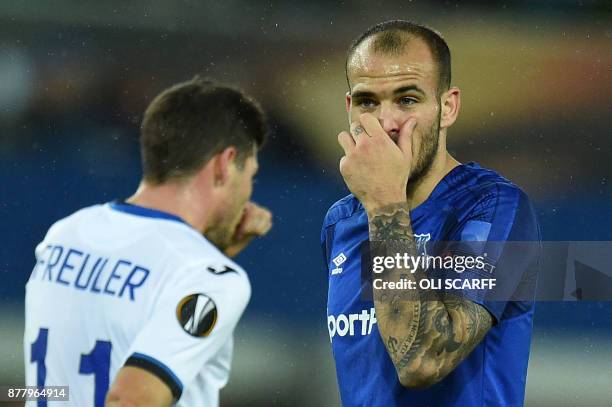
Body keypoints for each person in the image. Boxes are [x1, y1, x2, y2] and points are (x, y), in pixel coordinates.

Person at [321, 20, 540, 406]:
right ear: (349, 108)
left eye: (407, 100)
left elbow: (423, 361)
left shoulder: (493, 207)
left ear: (447, 106)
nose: (386, 123)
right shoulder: (341, 221)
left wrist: (386, 202)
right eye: (367, 101)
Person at [24, 76, 272, 407]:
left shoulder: (65, 234)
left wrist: (214, 255)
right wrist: (214, 266)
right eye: (250, 175)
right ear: (225, 165)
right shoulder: (209, 277)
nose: (248, 193)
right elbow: (130, 398)